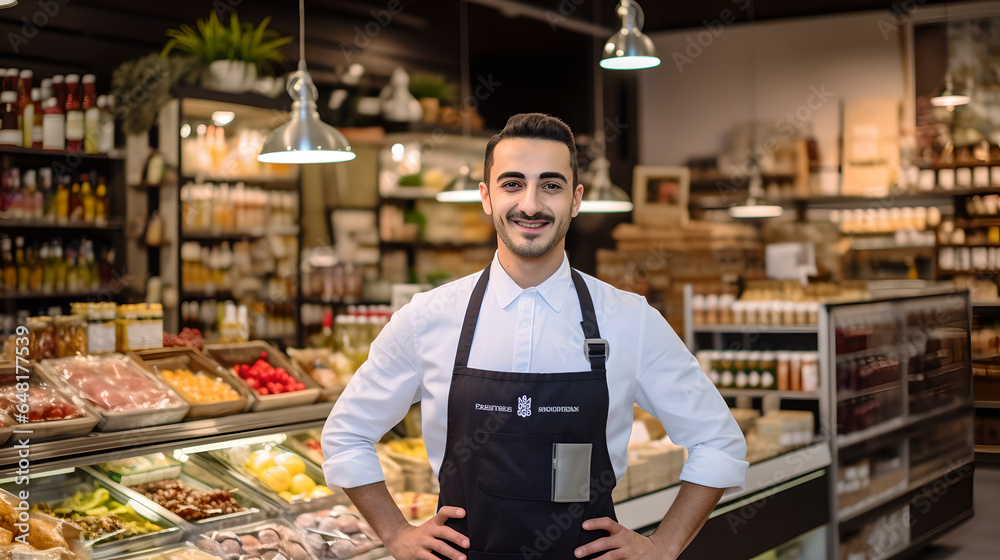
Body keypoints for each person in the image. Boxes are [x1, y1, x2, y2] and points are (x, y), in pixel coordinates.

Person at [322, 113, 748, 560]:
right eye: (511, 184)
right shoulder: (428, 317)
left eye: (550, 185)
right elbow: (346, 433)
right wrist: (395, 533)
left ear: (576, 199)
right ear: (485, 196)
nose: (530, 204)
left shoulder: (628, 319)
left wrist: (665, 545)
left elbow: (718, 443)